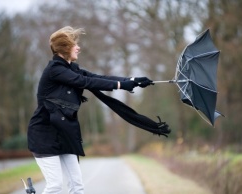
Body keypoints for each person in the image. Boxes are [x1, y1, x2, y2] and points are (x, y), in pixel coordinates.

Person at [27, 26, 153, 194]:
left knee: (77, 186)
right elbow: (85, 82)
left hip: (65, 133)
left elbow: (96, 78)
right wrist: (120, 85)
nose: (78, 47)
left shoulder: (71, 68)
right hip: (44, 135)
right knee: (55, 186)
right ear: (65, 48)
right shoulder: (55, 70)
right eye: (74, 45)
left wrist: (132, 80)